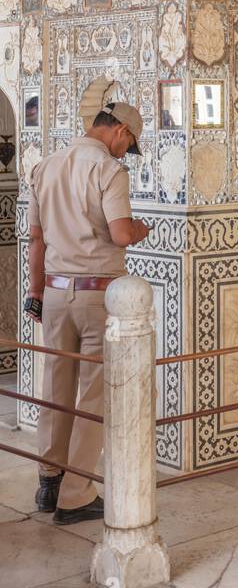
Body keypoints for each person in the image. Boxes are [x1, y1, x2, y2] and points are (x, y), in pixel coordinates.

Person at [25, 102, 149, 524]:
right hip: (98, 297)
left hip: (56, 293)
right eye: (128, 143)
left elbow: (36, 241)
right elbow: (119, 233)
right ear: (118, 130)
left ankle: (49, 480)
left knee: (56, 386)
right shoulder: (109, 172)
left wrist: (35, 293)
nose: (125, 152)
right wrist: (138, 229)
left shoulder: (46, 166)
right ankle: (76, 495)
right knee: (95, 394)